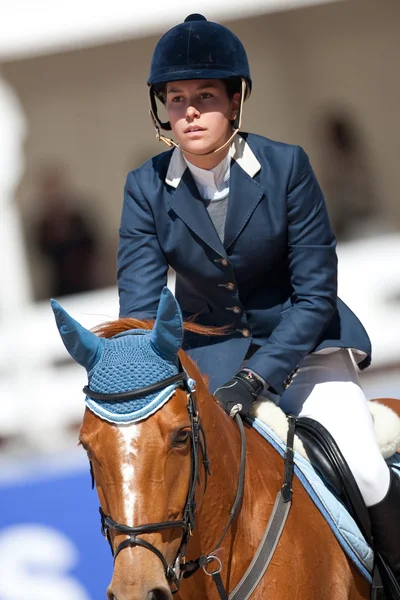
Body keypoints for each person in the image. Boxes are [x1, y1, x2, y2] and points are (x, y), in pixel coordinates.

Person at [117, 14, 400, 590]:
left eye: (204, 96)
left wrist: (258, 378)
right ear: (162, 109)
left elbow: (316, 291)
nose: (189, 111)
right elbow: (143, 313)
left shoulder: (286, 166)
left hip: (305, 349)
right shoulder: (145, 188)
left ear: (235, 100)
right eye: (176, 99)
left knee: (366, 470)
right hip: (210, 363)